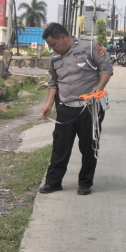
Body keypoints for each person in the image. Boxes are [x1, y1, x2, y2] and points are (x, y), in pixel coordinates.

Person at [39, 23, 113, 196]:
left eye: (54, 45)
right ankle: (53, 182)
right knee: (60, 147)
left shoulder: (90, 46)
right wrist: (48, 104)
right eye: (50, 47)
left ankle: (85, 183)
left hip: (89, 108)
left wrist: (99, 86)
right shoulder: (54, 59)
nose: (53, 49)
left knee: (89, 147)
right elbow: (53, 83)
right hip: (65, 108)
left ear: (63, 37)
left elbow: (106, 69)